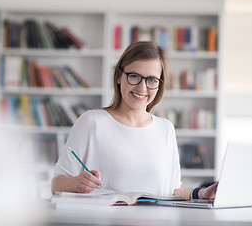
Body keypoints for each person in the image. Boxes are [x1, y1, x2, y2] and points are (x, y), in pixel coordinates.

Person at [51, 41, 218, 200]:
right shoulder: (92, 122)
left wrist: (201, 194)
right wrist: (76, 183)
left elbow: (171, 191)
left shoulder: (166, 128)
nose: (142, 87)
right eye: (134, 76)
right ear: (118, 76)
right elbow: (56, 184)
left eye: (152, 80)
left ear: (159, 84)